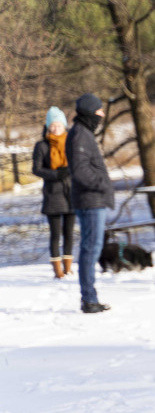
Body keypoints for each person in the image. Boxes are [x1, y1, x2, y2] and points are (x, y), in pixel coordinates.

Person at [66, 93, 113, 314]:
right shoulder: (79, 135)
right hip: (90, 200)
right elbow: (80, 171)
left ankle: (90, 297)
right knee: (90, 249)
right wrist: (102, 183)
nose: (102, 114)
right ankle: (89, 299)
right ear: (90, 112)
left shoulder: (83, 133)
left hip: (93, 199)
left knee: (92, 249)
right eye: (99, 111)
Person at [31, 106, 75, 279]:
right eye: (52, 125)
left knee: (70, 233)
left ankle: (68, 268)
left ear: (64, 125)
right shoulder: (41, 146)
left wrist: (70, 171)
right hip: (53, 195)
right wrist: (56, 174)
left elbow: (79, 163)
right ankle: (58, 270)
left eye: (59, 125)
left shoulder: (72, 142)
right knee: (56, 233)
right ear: (48, 127)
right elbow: (36, 169)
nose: (56, 128)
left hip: (71, 194)